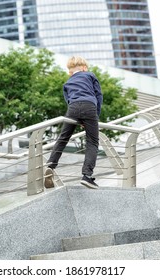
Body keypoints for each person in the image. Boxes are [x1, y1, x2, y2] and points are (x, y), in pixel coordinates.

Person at [44, 56, 103, 189]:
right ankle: (87, 176)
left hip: (73, 108)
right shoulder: (90, 75)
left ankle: (50, 165)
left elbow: (68, 100)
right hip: (89, 106)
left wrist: (78, 117)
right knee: (92, 141)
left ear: (70, 72)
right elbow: (99, 95)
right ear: (83, 68)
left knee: (63, 138)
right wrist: (95, 116)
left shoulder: (68, 83)